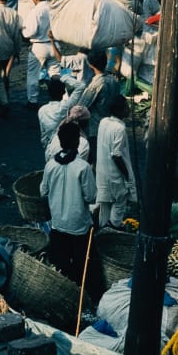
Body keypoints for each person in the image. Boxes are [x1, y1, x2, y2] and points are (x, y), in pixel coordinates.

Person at [39, 118, 95, 285]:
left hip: (57, 223)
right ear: (77, 142)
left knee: (61, 265)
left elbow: (43, 191)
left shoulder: (50, 165)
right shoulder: (83, 167)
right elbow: (90, 197)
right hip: (78, 226)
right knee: (81, 265)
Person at [94, 94, 137, 228]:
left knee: (104, 205)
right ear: (119, 110)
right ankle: (113, 229)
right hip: (115, 177)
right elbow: (116, 155)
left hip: (102, 174)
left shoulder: (103, 122)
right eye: (126, 107)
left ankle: (102, 231)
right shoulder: (120, 129)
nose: (128, 109)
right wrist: (127, 176)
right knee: (119, 203)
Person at [22, 0, 60, 107]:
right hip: (54, 45)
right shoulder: (54, 8)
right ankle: (58, 96)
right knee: (55, 73)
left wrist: (23, 31)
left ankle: (33, 100)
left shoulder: (35, 11)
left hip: (39, 46)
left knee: (33, 75)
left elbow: (30, 32)